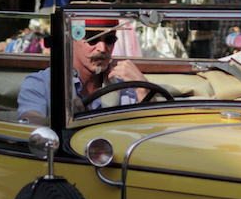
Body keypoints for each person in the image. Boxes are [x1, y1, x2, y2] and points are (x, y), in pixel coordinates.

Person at [17, 17, 146, 124]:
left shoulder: (125, 87)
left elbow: (151, 130)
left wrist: (142, 86)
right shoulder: (41, 84)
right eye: (92, 39)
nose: (102, 48)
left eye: (109, 40)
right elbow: (30, 123)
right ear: (69, 40)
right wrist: (65, 120)